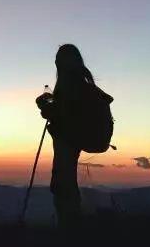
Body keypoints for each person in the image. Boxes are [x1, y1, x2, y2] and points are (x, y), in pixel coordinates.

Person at [35, 44, 114, 229]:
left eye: (58, 62)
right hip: (76, 138)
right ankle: (72, 227)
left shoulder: (70, 88)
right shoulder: (84, 88)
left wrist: (45, 108)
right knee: (65, 182)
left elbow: (64, 116)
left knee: (62, 183)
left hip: (68, 140)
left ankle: (69, 228)